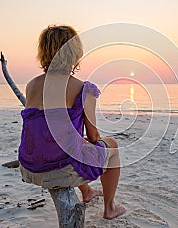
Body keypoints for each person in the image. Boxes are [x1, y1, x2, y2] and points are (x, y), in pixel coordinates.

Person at [18, 24, 126, 220]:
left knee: (73, 144)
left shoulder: (32, 85)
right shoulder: (84, 89)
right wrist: (86, 139)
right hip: (57, 169)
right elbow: (94, 136)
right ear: (75, 53)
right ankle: (110, 207)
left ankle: (87, 192)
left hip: (29, 166)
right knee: (112, 147)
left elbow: (43, 128)